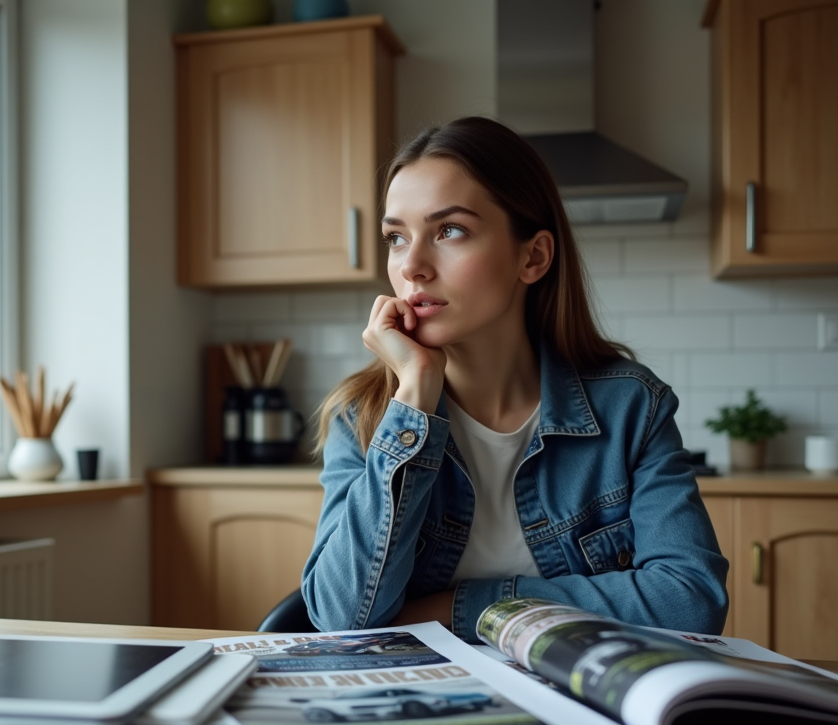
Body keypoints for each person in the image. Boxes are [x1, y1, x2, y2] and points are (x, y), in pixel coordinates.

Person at [301, 117, 728, 643]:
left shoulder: (631, 407)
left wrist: (459, 609)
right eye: (396, 237)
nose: (411, 266)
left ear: (533, 256)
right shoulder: (364, 415)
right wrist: (412, 396)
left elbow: (690, 601)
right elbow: (341, 617)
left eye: (449, 230)